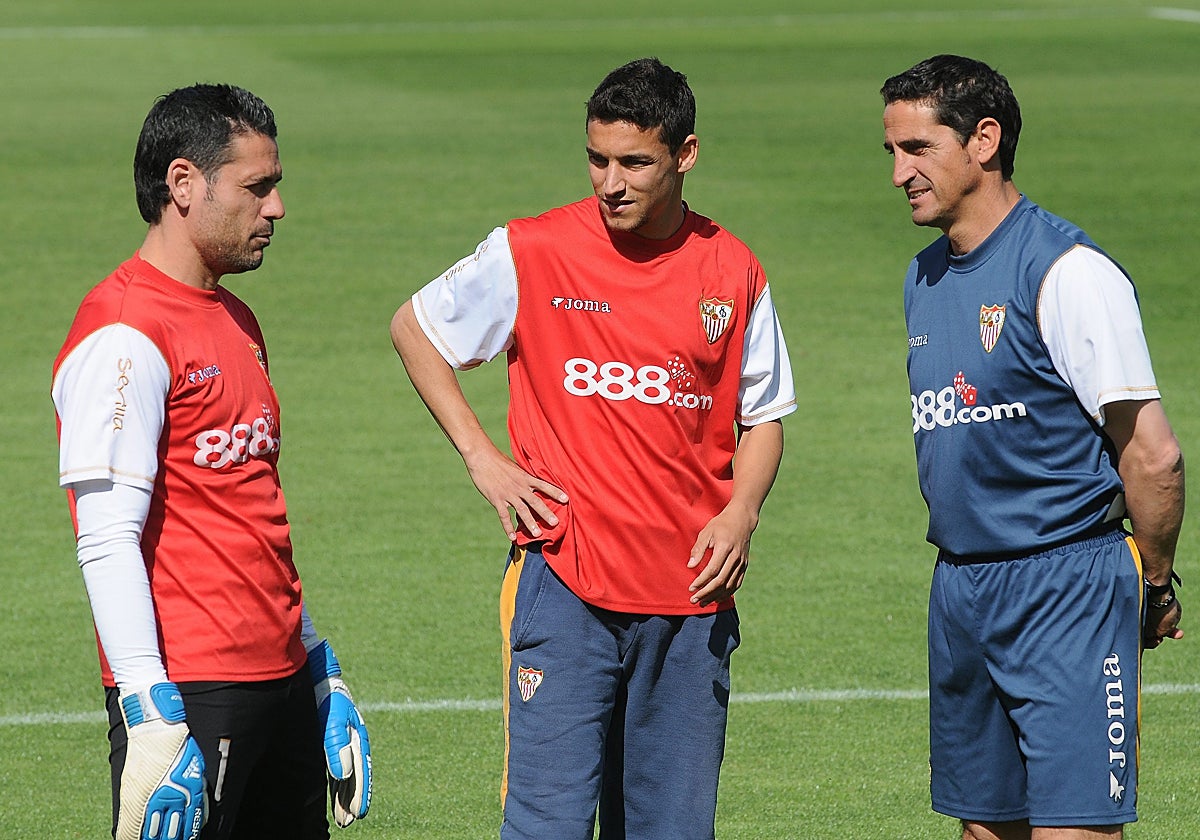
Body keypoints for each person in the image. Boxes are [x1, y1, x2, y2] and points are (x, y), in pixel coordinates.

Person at [391, 57, 795, 839]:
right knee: (547, 827)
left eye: (634, 162)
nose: (611, 181)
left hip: (690, 595)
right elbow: (415, 328)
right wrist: (482, 457)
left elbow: (765, 413)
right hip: (564, 584)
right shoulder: (533, 249)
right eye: (597, 159)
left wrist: (743, 511)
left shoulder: (732, 267)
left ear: (685, 155)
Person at [52, 84, 371, 840]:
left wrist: (318, 664)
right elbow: (104, 534)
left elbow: (247, 507)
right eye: (257, 188)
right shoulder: (125, 334)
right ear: (184, 183)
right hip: (193, 692)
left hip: (280, 682)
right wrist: (151, 714)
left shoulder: (235, 316)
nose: (277, 208)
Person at [881, 55, 1185, 840]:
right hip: (960, 587)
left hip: (1065, 585)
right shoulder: (924, 276)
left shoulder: (1069, 273)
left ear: (985, 140)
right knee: (984, 828)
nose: (899, 174)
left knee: (1074, 830)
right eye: (892, 152)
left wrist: (1151, 582)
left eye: (918, 149)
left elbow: (1152, 456)